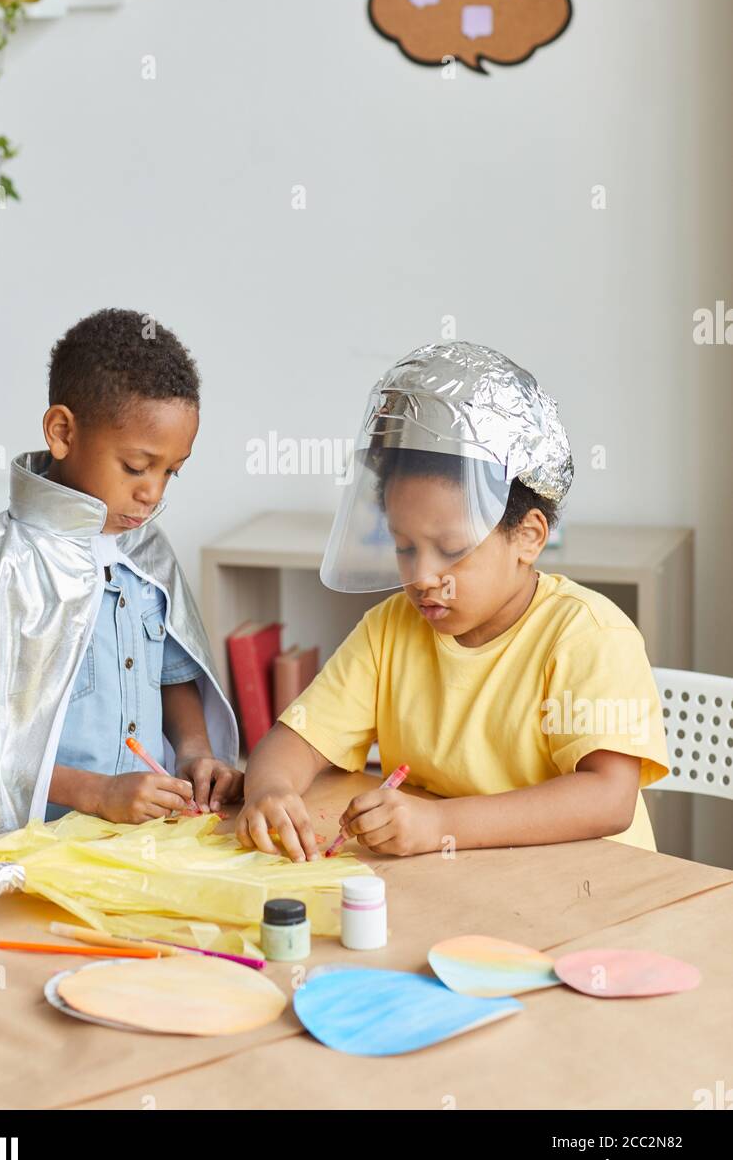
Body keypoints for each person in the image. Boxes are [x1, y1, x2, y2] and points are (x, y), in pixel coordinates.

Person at [237, 340, 669, 861]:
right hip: (469, 883)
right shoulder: (390, 629)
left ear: (528, 538)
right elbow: (293, 742)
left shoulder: (588, 636)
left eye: (451, 549)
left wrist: (441, 822)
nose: (422, 577)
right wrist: (269, 792)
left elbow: (608, 798)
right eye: (404, 547)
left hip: (591, 893)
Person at [0, 308, 241, 842]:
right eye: (136, 467)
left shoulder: (146, 550)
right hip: (41, 855)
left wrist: (197, 752)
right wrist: (99, 793)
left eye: (170, 472)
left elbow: (173, 674)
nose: (153, 493)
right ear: (62, 432)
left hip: (143, 844)